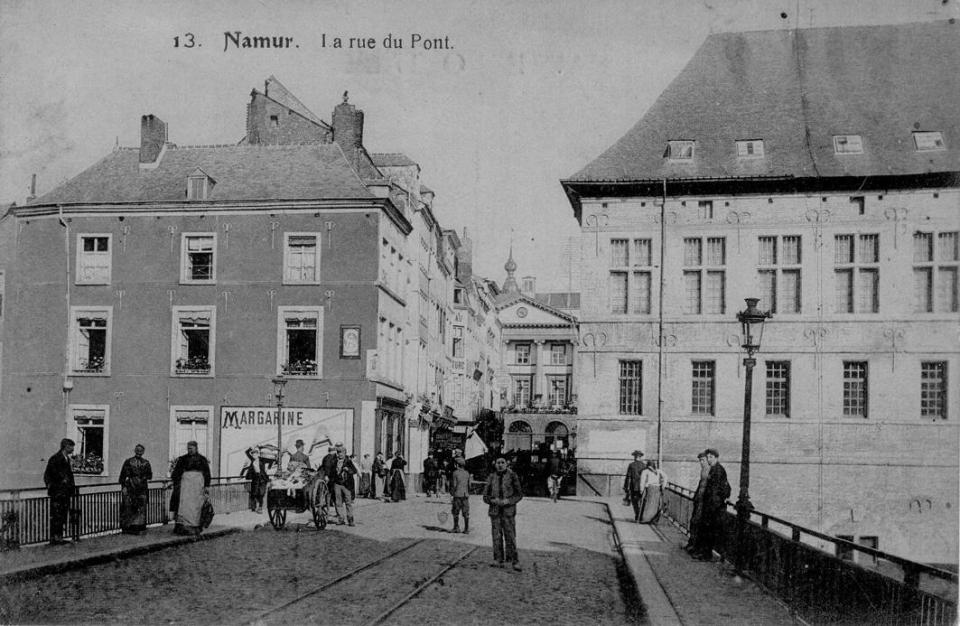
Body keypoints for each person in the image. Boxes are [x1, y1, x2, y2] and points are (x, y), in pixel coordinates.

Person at [483, 455, 524, 571]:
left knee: (510, 536)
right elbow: (485, 496)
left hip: (508, 512)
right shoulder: (491, 477)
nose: (500, 465)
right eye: (498, 462)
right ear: (494, 464)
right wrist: (492, 500)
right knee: (496, 536)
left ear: (507, 463)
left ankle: (514, 561)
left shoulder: (512, 476)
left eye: (502, 462)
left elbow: (519, 494)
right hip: (495, 511)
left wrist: (509, 501)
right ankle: (498, 559)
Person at [691, 448, 731, 561]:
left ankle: (707, 555)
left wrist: (714, 503)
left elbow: (717, 490)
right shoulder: (713, 469)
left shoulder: (718, 470)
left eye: (711, 457)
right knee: (707, 531)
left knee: (710, 531)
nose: (708, 459)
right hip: (710, 506)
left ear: (716, 458)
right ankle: (704, 554)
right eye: (707, 457)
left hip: (713, 507)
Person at [170, 441, 212, 535]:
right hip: (186, 486)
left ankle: (195, 527)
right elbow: (176, 473)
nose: (190, 450)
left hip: (198, 485)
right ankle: (183, 527)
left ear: (196, 448)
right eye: (188, 448)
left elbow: (207, 473)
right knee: (184, 505)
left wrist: (206, 486)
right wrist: (176, 483)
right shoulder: (182, 459)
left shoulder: (202, 459)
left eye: (191, 448)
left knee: (196, 506)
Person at [43, 438, 76, 545]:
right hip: (58, 492)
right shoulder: (55, 458)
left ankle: (59, 537)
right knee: (57, 515)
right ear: (66, 446)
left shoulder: (66, 458)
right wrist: (55, 486)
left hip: (64, 492)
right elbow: (48, 475)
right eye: (71, 446)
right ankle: (55, 538)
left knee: (62, 515)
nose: (72, 449)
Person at [119, 444, 153, 534]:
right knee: (129, 506)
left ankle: (139, 527)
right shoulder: (128, 461)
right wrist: (124, 487)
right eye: (137, 450)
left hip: (141, 487)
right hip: (130, 487)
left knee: (141, 506)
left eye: (141, 451)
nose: (139, 452)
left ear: (143, 452)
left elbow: (150, 475)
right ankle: (128, 527)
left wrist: (143, 478)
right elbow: (122, 476)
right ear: (134, 450)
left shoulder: (146, 462)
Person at [684, 452, 710, 553]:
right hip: (699, 501)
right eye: (700, 460)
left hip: (703, 503)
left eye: (703, 460)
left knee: (697, 524)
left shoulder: (709, 470)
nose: (701, 462)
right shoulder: (703, 470)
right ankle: (693, 544)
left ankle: (696, 546)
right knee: (694, 522)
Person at [330, 444, 358, 526]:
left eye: (342, 452)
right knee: (338, 503)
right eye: (338, 453)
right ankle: (340, 519)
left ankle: (350, 520)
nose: (340, 454)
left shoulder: (348, 461)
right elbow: (332, 473)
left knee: (348, 502)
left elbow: (354, 471)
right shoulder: (334, 461)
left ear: (345, 453)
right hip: (337, 484)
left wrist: (348, 469)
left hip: (346, 485)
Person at [243, 447, 269, 514]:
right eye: (253, 454)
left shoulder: (261, 460)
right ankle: (253, 507)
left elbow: (269, 460)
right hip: (255, 478)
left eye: (255, 454)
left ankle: (260, 507)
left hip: (262, 478)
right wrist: (250, 448)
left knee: (261, 493)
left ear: (258, 454)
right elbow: (246, 452)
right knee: (254, 493)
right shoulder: (252, 460)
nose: (254, 455)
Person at [622, 450, 646, 522]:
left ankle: (637, 515)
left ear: (634, 457)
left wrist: (626, 487)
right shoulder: (644, 465)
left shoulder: (631, 465)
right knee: (641, 501)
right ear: (640, 457)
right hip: (642, 486)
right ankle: (640, 516)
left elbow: (628, 476)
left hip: (633, 486)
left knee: (634, 502)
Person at [450, 456, 471, 533]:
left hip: (457, 495)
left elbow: (454, 485)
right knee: (466, 512)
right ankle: (466, 529)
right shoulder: (467, 473)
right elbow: (469, 485)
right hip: (465, 495)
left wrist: (452, 493)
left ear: (457, 465)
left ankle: (456, 527)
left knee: (455, 512)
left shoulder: (455, 473)